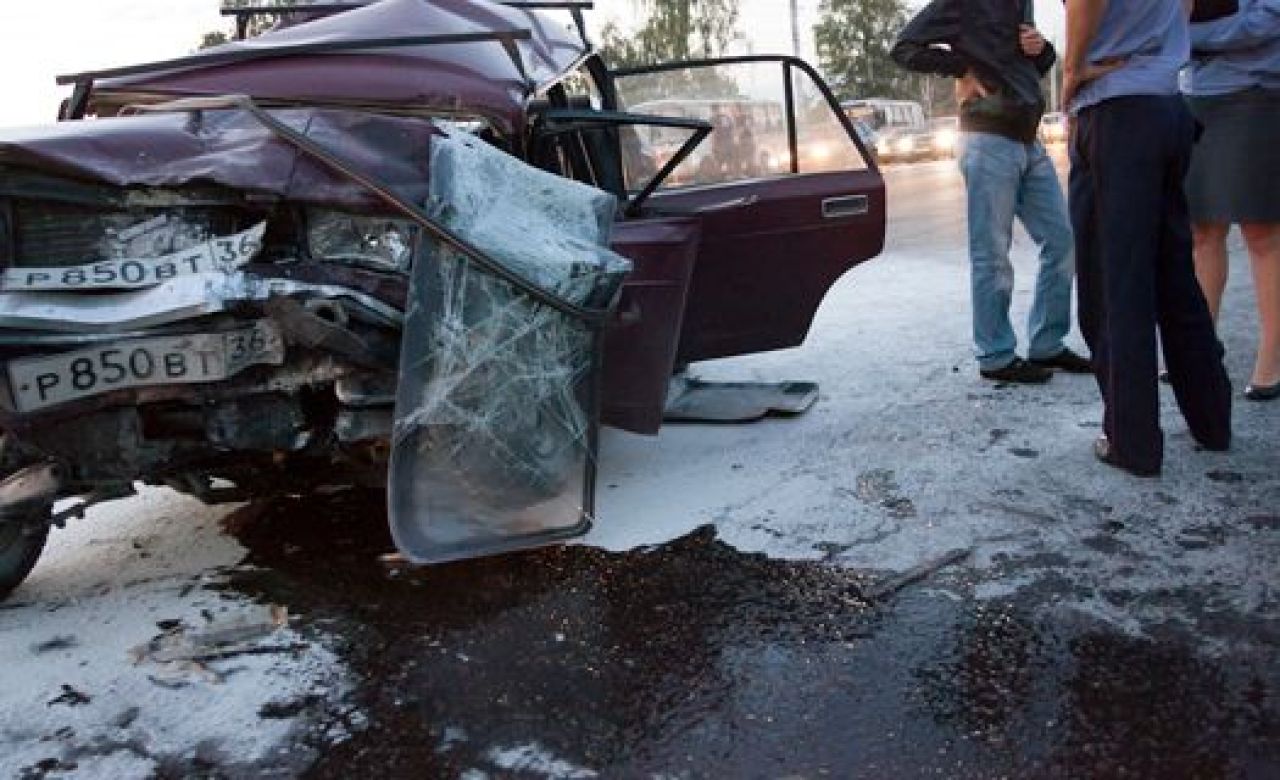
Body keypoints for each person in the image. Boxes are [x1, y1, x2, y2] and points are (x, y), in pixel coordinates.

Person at [1064, 0, 1233, 476]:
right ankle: (1212, 421)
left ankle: (1131, 441)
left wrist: (1072, 71)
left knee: (1112, 286)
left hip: (1115, 108)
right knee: (1173, 273)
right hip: (1165, 103)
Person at [892, 0, 1091, 384]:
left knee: (1063, 241)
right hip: (987, 138)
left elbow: (1029, 67)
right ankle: (996, 355)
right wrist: (962, 69)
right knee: (992, 254)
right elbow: (904, 48)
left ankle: (1047, 343)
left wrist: (1042, 49)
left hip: (1027, 139)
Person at [1184, 0, 1280, 401]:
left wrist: (1191, 38)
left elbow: (1266, 20)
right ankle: (1201, 350)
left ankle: (1271, 360)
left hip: (1253, 93)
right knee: (1202, 231)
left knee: (1261, 232)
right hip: (1192, 95)